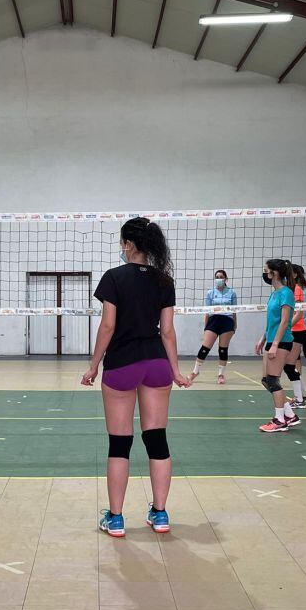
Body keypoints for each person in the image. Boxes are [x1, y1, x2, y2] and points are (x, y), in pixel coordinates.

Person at [82, 217, 190, 538]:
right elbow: (167, 331)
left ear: (128, 244)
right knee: (157, 440)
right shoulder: (163, 280)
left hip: (122, 364)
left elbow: (108, 326)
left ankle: (115, 519)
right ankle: (160, 514)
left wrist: (93, 365)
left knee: (120, 444)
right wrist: (176, 371)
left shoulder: (114, 278)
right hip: (156, 363)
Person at [255, 259, 300, 433]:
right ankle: (289, 414)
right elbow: (272, 322)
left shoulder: (286, 293)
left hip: (282, 341)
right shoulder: (274, 293)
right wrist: (263, 338)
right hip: (272, 340)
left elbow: (284, 322)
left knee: (274, 380)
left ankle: (279, 420)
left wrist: (274, 345)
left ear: (275, 273)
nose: (264, 273)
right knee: (266, 380)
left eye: (266, 270)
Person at [190, 269, 237, 384]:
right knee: (205, 348)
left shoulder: (232, 293)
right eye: (217, 277)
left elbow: (235, 310)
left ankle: (221, 375)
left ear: (225, 279)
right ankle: (195, 371)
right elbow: (207, 311)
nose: (219, 279)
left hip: (227, 320)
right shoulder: (210, 293)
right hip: (213, 320)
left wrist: (235, 325)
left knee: (223, 349)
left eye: (221, 277)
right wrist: (206, 326)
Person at [287, 264, 306, 408]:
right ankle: (305, 394)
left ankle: (300, 399)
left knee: (290, 365)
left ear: (294, 275)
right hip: (292, 331)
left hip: (297, 331)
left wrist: (286, 328)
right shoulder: (289, 290)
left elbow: (299, 314)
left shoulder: (298, 289)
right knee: (290, 365)